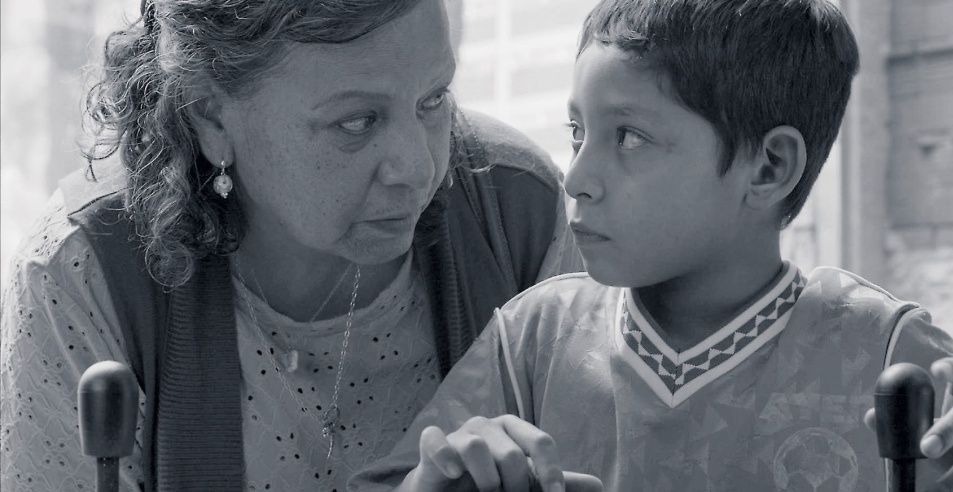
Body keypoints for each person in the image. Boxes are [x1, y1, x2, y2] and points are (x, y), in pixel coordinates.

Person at [349, 0, 953, 490]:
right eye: (577, 134)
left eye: (629, 137)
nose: (576, 178)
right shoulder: (533, 338)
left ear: (769, 167)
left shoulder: (885, 350)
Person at [0, 1, 582, 491]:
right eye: (357, 121)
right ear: (209, 115)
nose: (419, 166)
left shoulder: (517, 209)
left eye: (433, 100)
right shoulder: (81, 269)